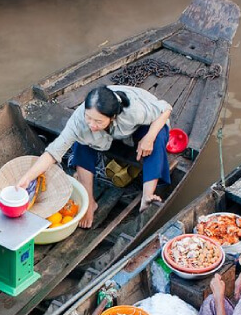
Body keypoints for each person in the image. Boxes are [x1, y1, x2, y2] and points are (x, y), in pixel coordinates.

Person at [16, 85, 172, 224]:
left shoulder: (133, 111)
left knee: (157, 139)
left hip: (141, 126)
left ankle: (147, 195)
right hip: (107, 137)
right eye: (88, 117)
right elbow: (53, 152)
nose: (91, 124)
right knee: (81, 144)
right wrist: (28, 177)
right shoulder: (79, 121)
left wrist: (149, 138)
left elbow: (166, 109)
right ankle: (89, 201)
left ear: (112, 117)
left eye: (98, 121)